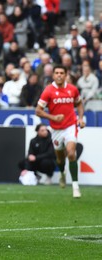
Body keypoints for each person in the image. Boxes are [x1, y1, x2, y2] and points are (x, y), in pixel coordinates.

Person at [35, 65, 86, 198]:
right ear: (53, 75)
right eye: (56, 73)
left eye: (61, 73)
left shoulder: (72, 89)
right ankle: (62, 173)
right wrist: (53, 117)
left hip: (70, 126)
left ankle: (75, 187)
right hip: (56, 129)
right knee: (60, 158)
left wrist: (80, 118)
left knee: (71, 153)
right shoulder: (48, 91)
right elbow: (38, 110)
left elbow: (79, 103)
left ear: (66, 74)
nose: (59, 75)